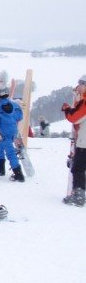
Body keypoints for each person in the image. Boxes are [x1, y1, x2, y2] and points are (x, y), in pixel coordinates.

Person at [61, 75, 86, 207]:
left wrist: (67, 109)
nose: (79, 87)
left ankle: (79, 195)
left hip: (84, 141)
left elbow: (75, 116)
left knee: (78, 168)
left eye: (81, 84)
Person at [0, 86, 25, 181]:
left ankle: (19, 174)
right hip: (14, 131)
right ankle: (0, 169)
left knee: (10, 153)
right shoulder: (14, 105)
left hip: (5, 134)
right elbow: (20, 116)